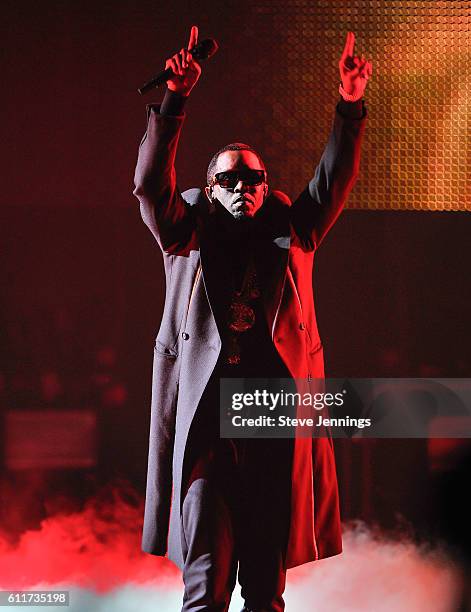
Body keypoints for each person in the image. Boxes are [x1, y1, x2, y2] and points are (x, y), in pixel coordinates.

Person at [133, 25, 371, 612]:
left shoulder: (292, 231)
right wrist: (176, 101)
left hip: (269, 427)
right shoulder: (185, 232)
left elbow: (333, 180)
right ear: (209, 188)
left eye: (254, 177)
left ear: (267, 185)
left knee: (265, 591)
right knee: (206, 588)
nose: (244, 187)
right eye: (229, 178)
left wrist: (349, 106)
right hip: (208, 435)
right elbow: (147, 184)